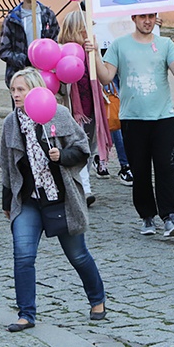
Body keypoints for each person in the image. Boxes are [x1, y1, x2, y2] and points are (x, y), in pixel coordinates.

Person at [0, 68, 106, 331]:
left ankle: (97, 299)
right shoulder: (11, 123)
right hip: (28, 200)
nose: (15, 95)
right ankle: (26, 314)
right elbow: (7, 167)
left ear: (35, 89)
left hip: (60, 198)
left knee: (77, 255)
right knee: (23, 256)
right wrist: (7, 202)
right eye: (13, 90)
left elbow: (82, 149)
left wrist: (62, 157)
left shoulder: (57, 114)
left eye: (20, 89)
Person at [88, 13, 174, 236]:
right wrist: (94, 53)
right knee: (140, 170)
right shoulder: (119, 45)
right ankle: (146, 216)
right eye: (143, 17)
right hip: (133, 118)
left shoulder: (164, 44)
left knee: (165, 165)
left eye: (151, 17)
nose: (148, 21)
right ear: (134, 18)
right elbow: (106, 77)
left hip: (163, 116)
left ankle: (170, 217)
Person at [57, 11, 112, 206]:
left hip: (91, 109)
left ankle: (81, 184)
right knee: (75, 147)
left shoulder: (90, 51)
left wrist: (95, 52)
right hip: (72, 110)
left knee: (89, 149)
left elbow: (105, 78)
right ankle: (83, 189)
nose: (91, 31)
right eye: (88, 27)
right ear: (78, 29)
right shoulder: (62, 50)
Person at [0, 0, 60, 87]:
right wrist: (26, 60)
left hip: (45, 76)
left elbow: (55, 43)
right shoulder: (12, 19)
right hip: (21, 77)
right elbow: (4, 51)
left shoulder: (47, 15)